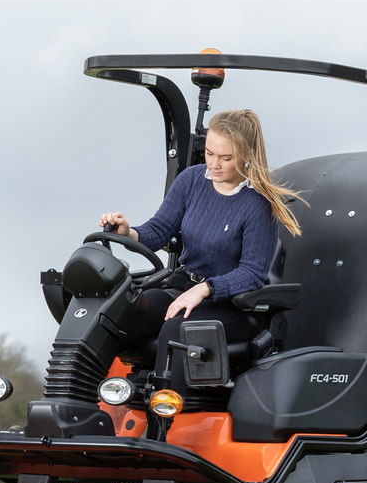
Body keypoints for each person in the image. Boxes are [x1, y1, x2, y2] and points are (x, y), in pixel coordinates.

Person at [98, 108, 303, 400]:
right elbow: (159, 230)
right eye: (209, 153)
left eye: (226, 158)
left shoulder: (259, 205)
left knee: (177, 329)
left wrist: (206, 289)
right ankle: (79, 406)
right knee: (116, 315)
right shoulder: (191, 180)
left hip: (231, 306)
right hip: (180, 287)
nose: (214, 164)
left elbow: (253, 274)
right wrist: (127, 232)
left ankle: (161, 427)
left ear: (246, 155)